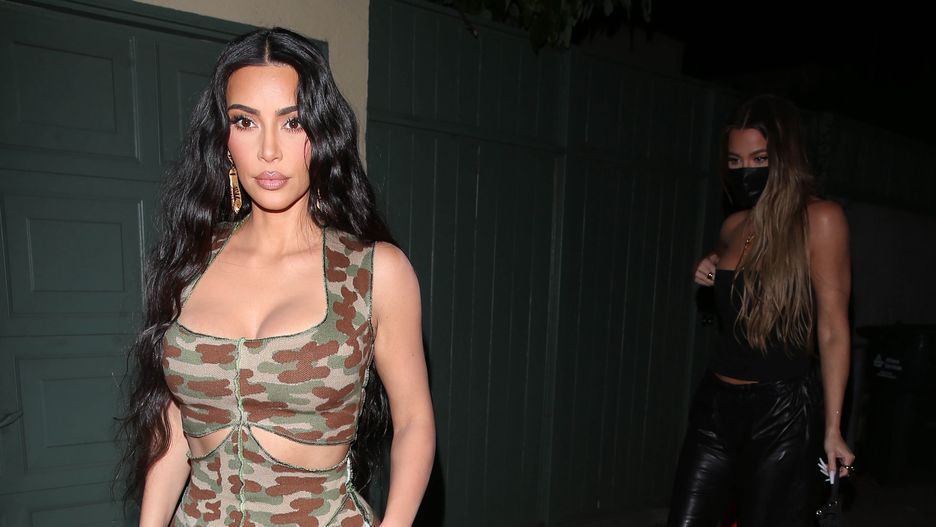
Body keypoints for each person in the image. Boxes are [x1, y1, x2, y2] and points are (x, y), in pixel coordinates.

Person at [120, 27, 435, 527]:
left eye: (293, 123)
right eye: (245, 122)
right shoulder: (189, 263)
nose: (269, 150)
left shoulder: (376, 272)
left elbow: (414, 420)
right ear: (224, 140)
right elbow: (177, 417)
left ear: (322, 133)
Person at [667, 94, 855, 526]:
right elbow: (736, 272)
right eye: (735, 161)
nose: (745, 171)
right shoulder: (733, 225)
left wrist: (833, 428)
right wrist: (710, 264)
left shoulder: (821, 219)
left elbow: (832, 329)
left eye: (759, 159)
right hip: (716, 407)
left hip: (782, 412)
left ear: (784, 159)